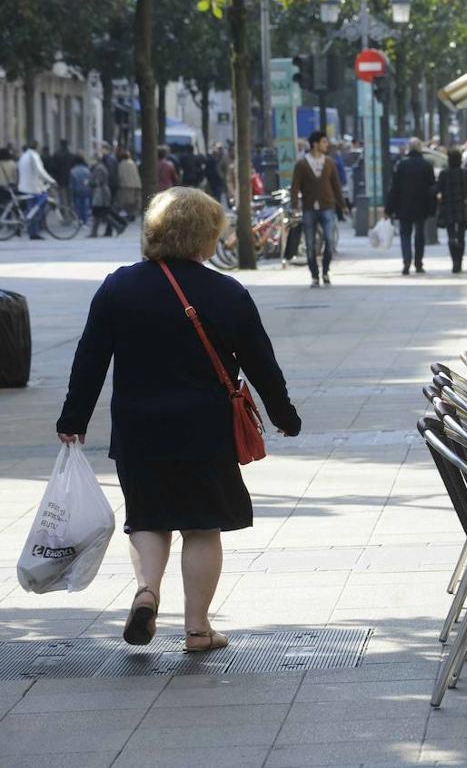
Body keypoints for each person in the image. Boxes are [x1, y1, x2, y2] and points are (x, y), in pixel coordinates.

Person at [56, 187, 301, 653]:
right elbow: (261, 364)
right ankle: (197, 629)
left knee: (147, 518)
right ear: (208, 235)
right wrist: (283, 415)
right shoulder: (227, 292)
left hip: (138, 427)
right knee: (201, 526)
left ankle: (147, 591)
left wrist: (74, 417)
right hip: (204, 429)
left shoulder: (118, 287)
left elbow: (90, 359)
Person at [290, 130, 346, 288]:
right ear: (315, 144)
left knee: (329, 240)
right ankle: (314, 275)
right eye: (324, 142)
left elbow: (336, 185)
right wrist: (295, 206)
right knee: (310, 244)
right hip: (309, 208)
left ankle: (325, 271)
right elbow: (295, 187)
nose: (327, 145)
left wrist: (342, 205)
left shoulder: (329, 163)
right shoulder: (302, 164)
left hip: (327, 206)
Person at [385, 137, 437, 276]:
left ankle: (406, 261)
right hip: (421, 205)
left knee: (405, 234)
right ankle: (418, 263)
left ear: (409, 148)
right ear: (420, 148)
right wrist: (432, 208)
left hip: (404, 206)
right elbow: (432, 188)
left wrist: (389, 208)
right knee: (420, 235)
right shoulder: (426, 165)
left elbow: (394, 188)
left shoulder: (401, 165)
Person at [435, 147, 467, 275]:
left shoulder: (444, 174)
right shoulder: (465, 174)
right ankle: (459, 261)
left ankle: (454, 261)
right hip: (462, 207)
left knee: (451, 235)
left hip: (448, 207)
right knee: (461, 236)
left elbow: (437, 189)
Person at [17, 141, 57, 239]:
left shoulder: (24, 156)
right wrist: (51, 181)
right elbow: (40, 171)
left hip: (25, 186)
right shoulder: (34, 156)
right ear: (37, 147)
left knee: (31, 209)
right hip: (33, 187)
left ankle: (30, 229)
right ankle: (32, 231)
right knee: (36, 209)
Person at [88, 154, 126, 238]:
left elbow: (98, 182)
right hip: (102, 192)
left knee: (101, 212)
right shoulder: (101, 167)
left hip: (100, 193)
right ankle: (94, 232)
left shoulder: (99, 168)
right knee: (99, 213)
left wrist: (89, 183)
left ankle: (118, 227)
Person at [116, 150, 142, 218]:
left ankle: (128, 215)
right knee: (134, 201)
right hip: (136, 184)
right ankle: (133, 214)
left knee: (126, 202)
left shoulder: (121, 164)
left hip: (125, 185)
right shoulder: (132, 163)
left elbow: (120, 175)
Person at [69, 155, 92, 227]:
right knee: (85, 206)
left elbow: (71, 184)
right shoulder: (87, 170)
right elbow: (89, 181)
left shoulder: (73, 171)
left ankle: (79, 220)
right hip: (86, 190)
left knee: (77, 206)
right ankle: (85, 221)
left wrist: (71, 193)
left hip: (77, 191)